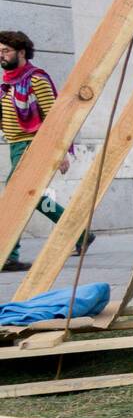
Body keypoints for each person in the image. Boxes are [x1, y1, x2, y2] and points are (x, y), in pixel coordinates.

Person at [0, 30, 92, 272]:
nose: (1, 55)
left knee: (15, 198)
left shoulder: (35, 79)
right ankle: (79, 233)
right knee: (34, 199)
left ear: (21, 52)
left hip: (34, 145)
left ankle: (8, 254)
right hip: (16, 146)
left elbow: (55, 117)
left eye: (6, 51)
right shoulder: (8, 83)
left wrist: (60, 151)